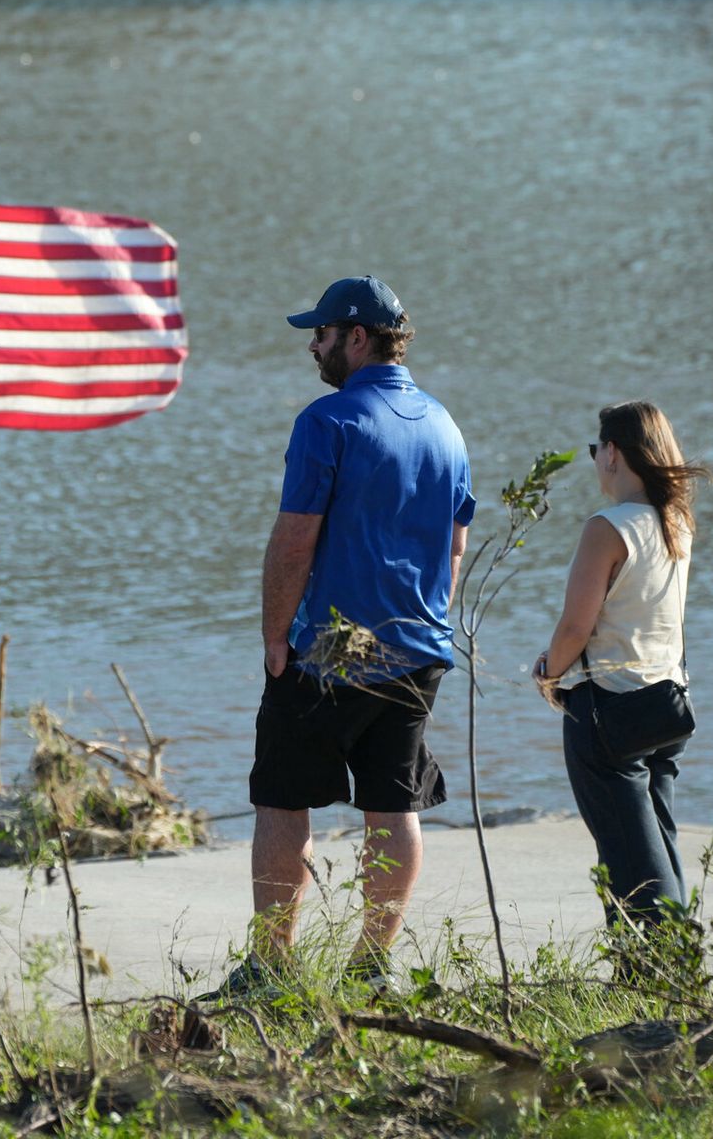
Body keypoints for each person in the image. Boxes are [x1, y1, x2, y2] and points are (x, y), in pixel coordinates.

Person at [206, 275, 476, 1001]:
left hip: (332, 643)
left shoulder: (328, 422)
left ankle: (270, 968)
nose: (313, 347)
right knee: (394, 804)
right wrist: (428, 617)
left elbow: (295, 542)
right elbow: (454, 544)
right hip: (419, 643)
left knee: (282, 798)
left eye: (320, 334)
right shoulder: (446, 425)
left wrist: (274, 637)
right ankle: (372, 964)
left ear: (357, 337)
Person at [533, 401, 710, 928]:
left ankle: (661, 967)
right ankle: (666, 963)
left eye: (595, 450)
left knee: (628, 852)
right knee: (656, 837)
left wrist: (548, 675)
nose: (595, 462)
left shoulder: (607, 528)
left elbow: (574, 628)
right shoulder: (676, 521)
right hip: (666, 704)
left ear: (612, 452)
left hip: (608, 707)